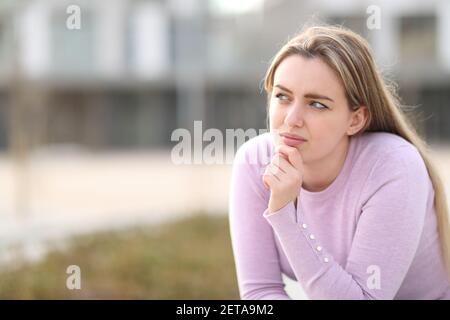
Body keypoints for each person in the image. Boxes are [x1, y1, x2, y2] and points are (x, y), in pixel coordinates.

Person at [228, 24, 450, 299]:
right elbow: (260, 293)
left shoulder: (393, 166)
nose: (291, 119)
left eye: (317, 104)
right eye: (283, 97)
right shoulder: (253, 163)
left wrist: (286, 214)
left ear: (355, 119)